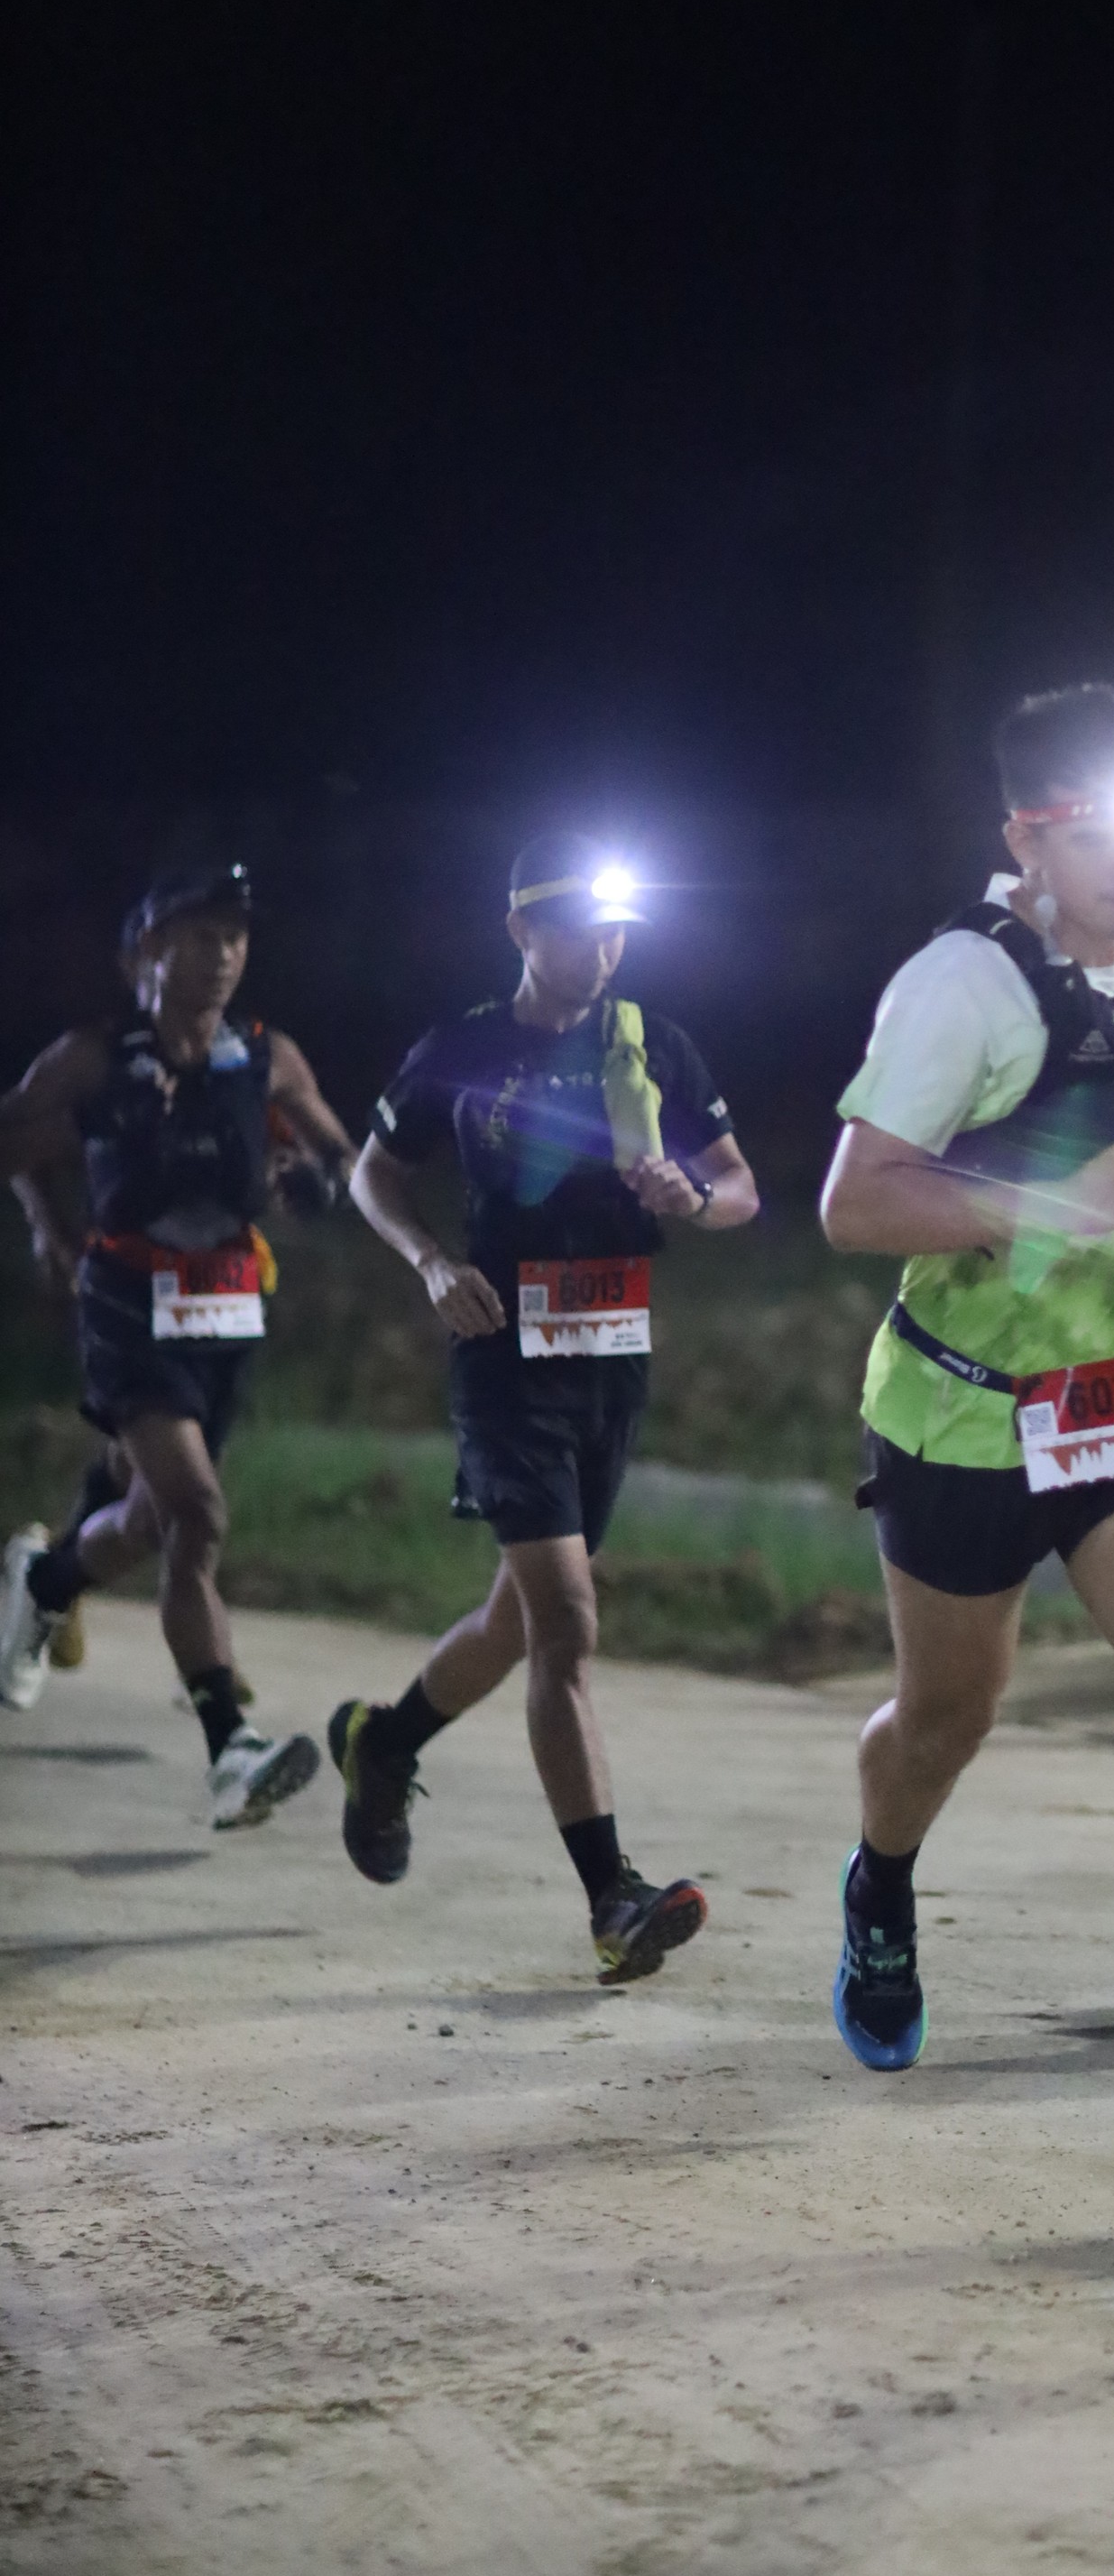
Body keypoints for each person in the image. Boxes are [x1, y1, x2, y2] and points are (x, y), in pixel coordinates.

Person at [819, 683, 1114, 2073]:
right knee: (946, 1721)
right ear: (1025, 837)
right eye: (1095, 837)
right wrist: (1043, 1206)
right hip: (970, 1411)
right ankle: (881, 1883)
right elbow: (856, 1203)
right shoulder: (959, 984)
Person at [336, 835, 759, 1986]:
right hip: (503, 1360)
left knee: (517, 1621)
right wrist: (431, 1261)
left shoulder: (652, 1045)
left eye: (618, 929)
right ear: (522, 930)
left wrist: (693, 1193)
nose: (603, 949)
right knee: (566, 1621)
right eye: (578, 928)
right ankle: (613, 1898)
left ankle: (386, 1741)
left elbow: (740, 1186)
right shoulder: (463, 1047)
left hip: (610, 1360)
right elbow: (373, 1171)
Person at [0, 864, 349, 1826]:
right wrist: (49, 1224)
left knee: (155, 1516)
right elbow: (13, 1139)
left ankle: (46, 1578)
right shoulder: (92, 1059)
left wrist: (314, 1183)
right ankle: (230, 1748)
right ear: (144, 956)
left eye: (234, 937)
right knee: (197, 1512)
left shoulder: (268, 1056)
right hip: (126, 1301)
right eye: (199, 937)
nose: (222, 956)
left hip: (226, 1308)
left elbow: (341, 1157)